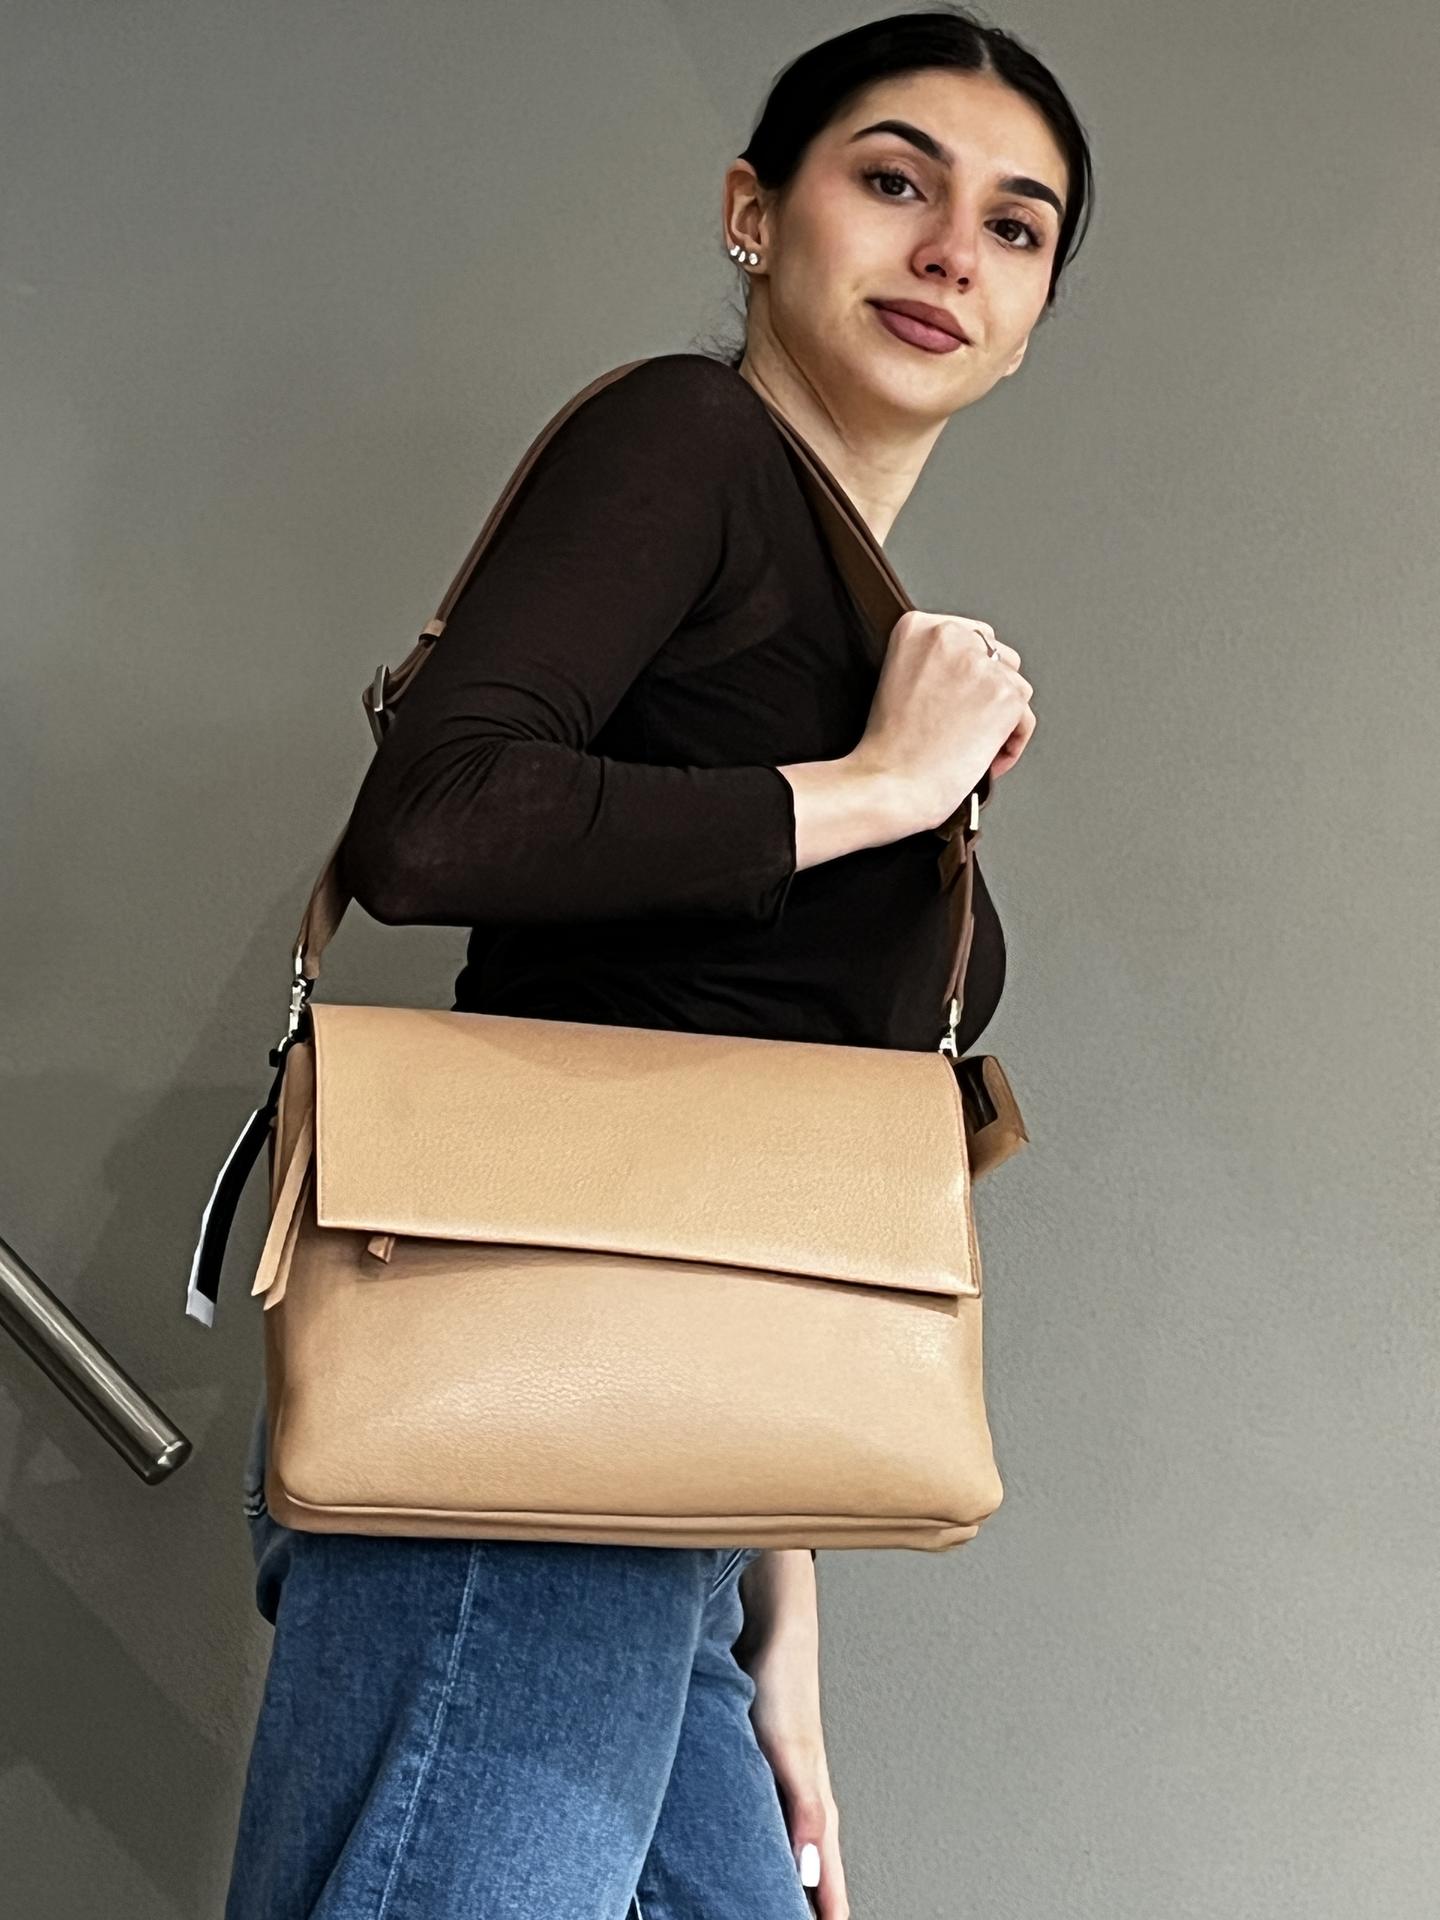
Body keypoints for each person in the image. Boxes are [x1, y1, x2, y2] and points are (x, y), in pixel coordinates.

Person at [224, 9, 1092, 1917]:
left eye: (1015, 227)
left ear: (1034, 319)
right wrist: (878, 791)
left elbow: (738, 1154)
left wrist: (781, 1617)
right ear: (752, 214)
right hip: (515, 1422)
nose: (952, 250)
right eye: (895, 179)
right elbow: (432, 823)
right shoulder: (684, 442)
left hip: (665, 1493)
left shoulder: (865, 626)